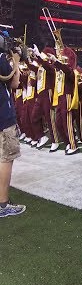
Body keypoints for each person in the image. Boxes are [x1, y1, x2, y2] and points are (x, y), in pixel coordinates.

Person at [0, 44, 25, 218]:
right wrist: (15, 60)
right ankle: (3, 204)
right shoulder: (1, 58)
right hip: (3, 115)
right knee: (6, 159)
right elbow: (14, 83)